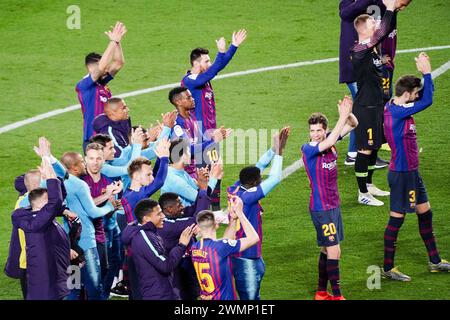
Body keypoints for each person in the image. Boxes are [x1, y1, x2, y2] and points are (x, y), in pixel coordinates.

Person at [382, 53, 450, 281]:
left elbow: (423, 99)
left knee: (425, 213)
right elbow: (428, 100)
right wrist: (427, 73)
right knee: (397, 218)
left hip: (412, 172)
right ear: (407, 94)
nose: (417, 97)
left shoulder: (399, 106)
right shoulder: (396, 112)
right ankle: (388, 267)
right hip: (402, 174)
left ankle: (434, 260)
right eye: (415, 93)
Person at [33, 137, 116, 300]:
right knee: (94, 288)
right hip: (85, 244)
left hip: (67, 246)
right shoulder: (79, 185)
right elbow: (93, 212)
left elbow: (58, 175)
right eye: (83, 161)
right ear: (75, 166)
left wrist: (47, 158)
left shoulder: (49, 186)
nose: (87, 164)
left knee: (73, 288)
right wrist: (110, 206)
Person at [301, 96, 358, 300]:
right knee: (335, 251)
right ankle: (337, 296)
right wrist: (341, 117)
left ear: (324, 129)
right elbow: (332, 138)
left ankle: (321, 292)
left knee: (327, 250)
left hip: (333, 205)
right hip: (320, 208)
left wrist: (347, 112)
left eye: (318, 130)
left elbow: (354, 124)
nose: (314, 135)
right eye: (312, 131)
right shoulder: (308, 149)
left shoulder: (329, 142)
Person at [227, 127, 290, 300]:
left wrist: (273, 148)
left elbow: (259, 166)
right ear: (254, 182)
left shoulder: (235, 187)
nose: (261, 179)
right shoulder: (248, 197)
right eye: (259, 179)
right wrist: (279, 152)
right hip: (245, 258)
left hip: (249, 254)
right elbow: (275, 178)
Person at [350, 0, 396, 206]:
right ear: (363, 30)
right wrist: (391, 8)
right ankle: (362, 194)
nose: (375, 26)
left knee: (375, 146)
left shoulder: (372, 49)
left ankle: (369, 185)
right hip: (366, 108)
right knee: (365, 149)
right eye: (371, 24)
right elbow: (383, 31)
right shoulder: (359, 49)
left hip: (377, 104)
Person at [158, 162, 222, 300]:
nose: (182, 207)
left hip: (183, 265)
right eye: (179, 204)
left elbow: (195, 208)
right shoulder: (169, 225)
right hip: (177, 270)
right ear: (169, 209)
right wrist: (203, 188)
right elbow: (198, 217)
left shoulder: (175, 216)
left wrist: (203, 186)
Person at [11, 158, 71, 300]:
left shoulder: (37, 212)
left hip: (50, 265)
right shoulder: (34, 217)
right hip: (33, 266)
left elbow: (58, 200)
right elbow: (55, 203)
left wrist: (51, 170)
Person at [339, 0, 389, 168]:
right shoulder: (348, 2)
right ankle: (356, 152)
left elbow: (381, 20)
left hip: (366, 66)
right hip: (354, 69)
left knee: (362, 110)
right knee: (362, 111)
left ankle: (360, 150)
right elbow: (345, 13)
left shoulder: (375, 4)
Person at [121, 199, 195, 300]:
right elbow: (165, 266)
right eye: (159, 214)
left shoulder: (149, 232)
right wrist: (181, 245)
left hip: (162, 292)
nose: (163, 216)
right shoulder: (143, 237)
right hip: (158, 295)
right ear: (146, 218)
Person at [190, 196, 259, 300]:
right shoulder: (220, 247)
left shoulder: (195, 248)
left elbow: (227, 240)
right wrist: (240, 214)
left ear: (198, 227)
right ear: (216, 225)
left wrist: (233, 219)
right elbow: (254, 238)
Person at [81, 142, 123, 298]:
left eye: (98, 158)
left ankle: (103, 294)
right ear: (86, 159)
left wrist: (114, 206)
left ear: (103, 160)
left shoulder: (108, 182)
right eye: (91, 158)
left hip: (105, 232)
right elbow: (87, 208)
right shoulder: (82, 182)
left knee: (107, 268)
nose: (95, 162)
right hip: (85, 237)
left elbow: (108, 211)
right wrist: (106, 197)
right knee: (88, 277)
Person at [76, 22, 127, 149]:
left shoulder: (102, 84)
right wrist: (112, 41)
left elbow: (119, 63)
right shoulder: (84, 85)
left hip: (108, 138)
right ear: (91, 67)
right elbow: (102, 66)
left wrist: (117, 43)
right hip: (93, 140)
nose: (106, 69)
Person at [161, 139, 219, 206]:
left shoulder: (178, 172)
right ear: (183, 156)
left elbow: (199, 190)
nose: (190, 155)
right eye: (188, 152)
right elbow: (202, 199)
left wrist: (202, 181)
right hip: (182, 215)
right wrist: (214, 177)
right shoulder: (174, 179)